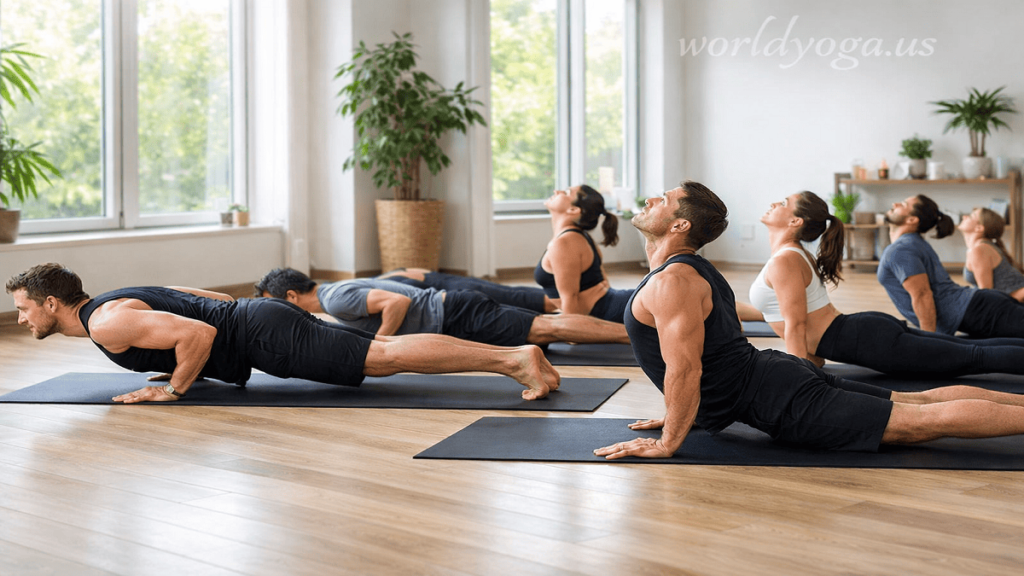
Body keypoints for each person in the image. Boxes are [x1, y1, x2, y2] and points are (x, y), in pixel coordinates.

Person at [594, 182, 1024, 460]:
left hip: (780, 395)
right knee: (920, 401)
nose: (651, 199)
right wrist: (677, 413)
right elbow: (712, 353)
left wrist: (670, 441)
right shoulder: (687, 271)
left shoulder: (674, 280)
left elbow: (687, 367)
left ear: (680, 223)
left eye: (664, 199)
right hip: (777, 375)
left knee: (920, 421)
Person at [7, 263, 561, 404]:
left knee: (385, 355)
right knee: (383, 352)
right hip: (260, 322)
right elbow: (216, 300)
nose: (21, 319)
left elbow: (199, 332)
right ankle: (515, 357)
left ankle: (515, 360)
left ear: (52, 302)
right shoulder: (114, 305)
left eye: (25, 308)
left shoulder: (107, 321)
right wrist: (178, 362)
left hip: (268, 336)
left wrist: (172, 388)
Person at [750, 190, 1024, 376]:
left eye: (784, 202)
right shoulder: (791, 256)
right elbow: (794, 325)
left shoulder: (785, 260)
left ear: (796, 220)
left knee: (974, 356)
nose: (775, 203)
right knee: (973, 351)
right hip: (864, 333)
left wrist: (798, 381)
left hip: (868, 339)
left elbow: (797, 325)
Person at [254, 268, 630, 347]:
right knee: (549, 324)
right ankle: (636, 334)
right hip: (452, 311)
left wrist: (382, 344)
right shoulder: (338, 289)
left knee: (550, 328)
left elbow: (397, 301)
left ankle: (637, 334)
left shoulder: (335, 297)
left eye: (276, 307)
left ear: (290, 297)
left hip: (457, 313)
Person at [878, 194, 1024, 338]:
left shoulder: (901, 249)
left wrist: (928, 343)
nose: (895, 204)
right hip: (980, 307)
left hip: (980, 310)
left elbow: (922, 295)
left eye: (903, 204)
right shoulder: (914, 243)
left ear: (912, 219)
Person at [535, 184, 634, 323]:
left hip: (615, 310)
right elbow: (604, 281)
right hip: (615, 306)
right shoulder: (577, 237)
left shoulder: (565, 242)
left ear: (573, 209)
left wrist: (573, 337)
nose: (557, 191)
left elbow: (571, 298)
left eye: (567, 192)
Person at [377, 267, 556, 313]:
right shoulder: (368, 287)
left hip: (447, 282)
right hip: (446, 285)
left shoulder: (363, 286)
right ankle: (576, 303)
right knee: (514, 295)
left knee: (513, 294)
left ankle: (575, 303)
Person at [959, 207, 1024, 302]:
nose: (964, 216)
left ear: (979, 228)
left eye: (970, 216)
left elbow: (987, 294)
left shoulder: (979, 250)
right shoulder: (983, 247)